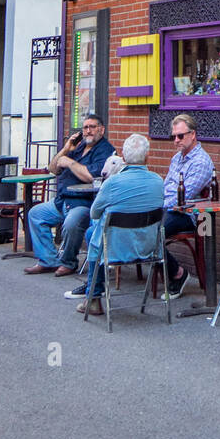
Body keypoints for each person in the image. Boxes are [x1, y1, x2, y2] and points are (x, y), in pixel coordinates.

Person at [72, 133, 165, 317]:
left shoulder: (112, 183)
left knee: (93, 234)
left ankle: (94, 297)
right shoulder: (158, 181)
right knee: (97, 234)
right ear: (147, 157)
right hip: (150, 249)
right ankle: (93, 296)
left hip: (116, 250)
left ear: (123, 157)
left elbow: (94, 213)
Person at [25, 115, 114, 276]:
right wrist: (66, 149)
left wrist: (70, 163)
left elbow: (92, 178)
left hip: (84, 203)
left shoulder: (105, 150)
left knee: (71, 224)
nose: (88, 131)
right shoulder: (78, 147)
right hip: (62, 200)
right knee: (35, 214)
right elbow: (53, 168)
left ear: (101, 130)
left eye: (92, 127)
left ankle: (68, 262)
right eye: (85, 127)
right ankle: (48, 260)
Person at [161, 114, 214, 298]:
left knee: (150, 232)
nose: (176, 140)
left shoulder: (201, 162)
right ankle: (172, 271)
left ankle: (178, 274)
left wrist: (156, 206)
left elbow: (182, 198)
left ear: (193, 135)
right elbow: (166, 187)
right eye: (173, 136)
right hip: (168, 209)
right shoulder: (177, 158)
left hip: (189, 215)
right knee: (139, 227)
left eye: (180, 136)